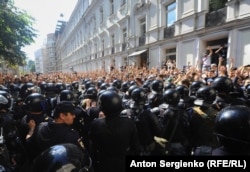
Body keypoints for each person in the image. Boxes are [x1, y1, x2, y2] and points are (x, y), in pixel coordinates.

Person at [89, 90, 140, 172]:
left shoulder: (96, 124)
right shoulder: (129, 122)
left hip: (103, 165)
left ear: (102, 107)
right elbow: (136, 147)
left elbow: (93, 148)